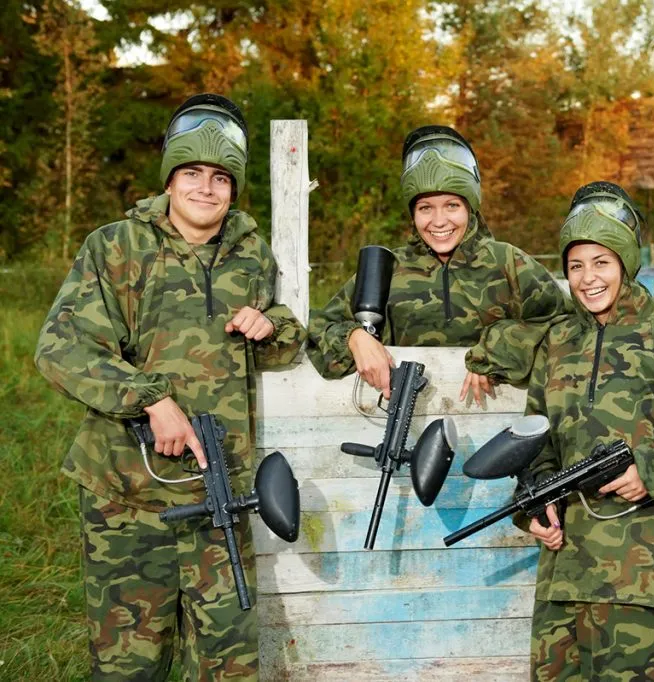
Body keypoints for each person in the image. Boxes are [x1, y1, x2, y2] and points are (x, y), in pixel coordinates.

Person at [35, 93, 306, 681]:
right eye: (191, 173)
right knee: (130, 666)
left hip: (220, 495)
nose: (205, 189)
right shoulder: (115, 246)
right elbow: (61, 347)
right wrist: (152, 399)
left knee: (230, 665)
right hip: (128, 500)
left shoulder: (251, 254)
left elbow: (283, 339)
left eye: (219, 177)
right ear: (170, 177)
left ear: (233, 186)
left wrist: (271, 325)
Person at [518, 182, 654, 681]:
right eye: (576, 265)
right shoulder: (557, 340)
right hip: (564, 573)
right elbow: (536, 442)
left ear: (625, 262)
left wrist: (651, 470)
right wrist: (535, 505)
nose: (587, 278)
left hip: (642, 572)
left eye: (601, 262)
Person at [307, 125, 570, 404]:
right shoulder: (389, 269)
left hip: (498, 424)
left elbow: (566, 324)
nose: (439, 221)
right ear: (413, 213)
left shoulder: (508, 263)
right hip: (408, 424)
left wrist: (502, 343)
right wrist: (354, 337)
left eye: (452, 205)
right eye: (425, 208)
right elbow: (319, 326)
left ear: (470, 206)